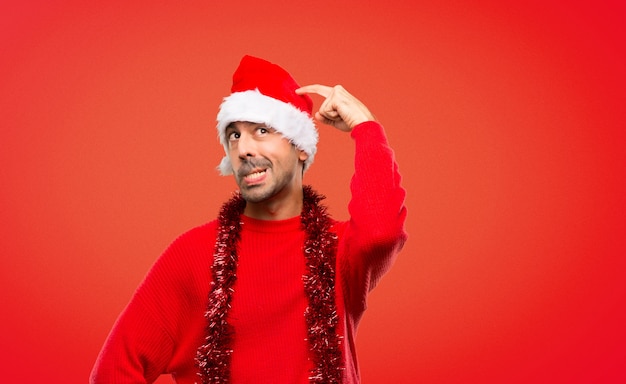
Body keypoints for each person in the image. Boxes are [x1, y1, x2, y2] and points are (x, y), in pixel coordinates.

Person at [90, 55, 408, 384]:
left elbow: (381, 233)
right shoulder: (192, 254)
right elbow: (114, 371)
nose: (243, 149)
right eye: (234, 135)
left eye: (260, 130)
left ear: (300, 147)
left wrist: (365, 127)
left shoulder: (337, 251)